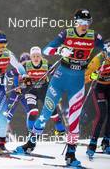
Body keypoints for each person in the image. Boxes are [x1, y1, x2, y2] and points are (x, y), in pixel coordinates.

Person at [14, 9, 105, 167]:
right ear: (76, 22)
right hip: (59, 78)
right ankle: (30, 144)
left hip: (77, 82)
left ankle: (71, 154)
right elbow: (46, 50)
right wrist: (60, 50)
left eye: (87, 22)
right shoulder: (67, 34)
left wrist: (106, 51)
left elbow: (105, 48)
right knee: (46, 113)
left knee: (74, 120)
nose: (84, 25)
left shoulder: (94, 37)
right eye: (81, 22)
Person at [5, 47, 65, 135]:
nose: (36, 58)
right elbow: (12, 73)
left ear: (41, 56)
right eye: (33, 56)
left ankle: (60, 131)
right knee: (33, 111)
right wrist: (4, 77)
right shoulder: (25, 66)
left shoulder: (46, 65)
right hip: (31, 91)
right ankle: (31, 132)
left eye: (37, 56)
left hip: (44, 90)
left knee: (52, 111)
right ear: (31, 57)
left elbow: (56, 77)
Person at [85, 41, 110, 157]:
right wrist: (92, 76)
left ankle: (106, 142)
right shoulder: (98, 60)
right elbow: (84, 77)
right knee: (101, 114)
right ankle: (92, 143)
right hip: (99, 87)